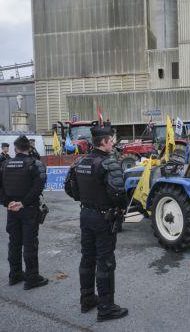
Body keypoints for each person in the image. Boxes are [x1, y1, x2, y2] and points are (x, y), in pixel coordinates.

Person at [65, 124, 128, 321]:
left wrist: (85, 200)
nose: (114, 143)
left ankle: (87, 299)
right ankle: (106, 308)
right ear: (103, 142)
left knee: (87, 258)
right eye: (111, 140)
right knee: (106, 262)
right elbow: (118, 192)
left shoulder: (80, 161)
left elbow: (69, 188)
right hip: (103, 218)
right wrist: (121, 207)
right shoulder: (108, 163)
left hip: (86, 215)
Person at [0, 135, 48, 289]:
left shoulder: (4, 164)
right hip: (28, 209)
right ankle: (32, 278)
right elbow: (38, 188)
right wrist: (22, 203)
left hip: (13, 209)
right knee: (30, 243)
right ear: (29, 148)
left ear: (15, 148)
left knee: (14, 242)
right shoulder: (35, 164)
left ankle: (15, 274)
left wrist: (7, 202)